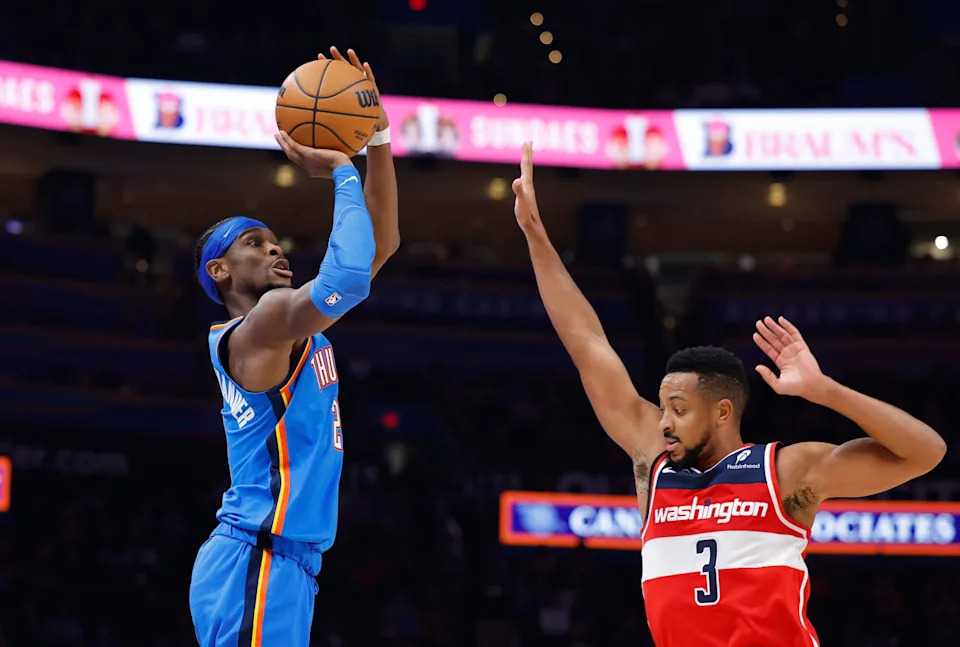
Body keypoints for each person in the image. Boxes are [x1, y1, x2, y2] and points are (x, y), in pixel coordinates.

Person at [510, 142, 946, 647]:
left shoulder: (784, 473)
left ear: (721, 412)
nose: (665, 422)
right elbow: (588, 345)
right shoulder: (654, 460)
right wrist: (536, 236)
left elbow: (926, 451)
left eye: (678, 409)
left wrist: (827, 391)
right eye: (663, 407)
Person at [188, 47, 399, 647]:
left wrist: (376, 133)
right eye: (255, 244)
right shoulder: (260, 325)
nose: (275, 250)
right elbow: (349, 279)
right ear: (220, 272)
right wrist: (340, 167)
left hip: (284, 563)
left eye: (277, 241)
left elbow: (380, 243)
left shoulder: (291, 325)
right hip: (256, 557)